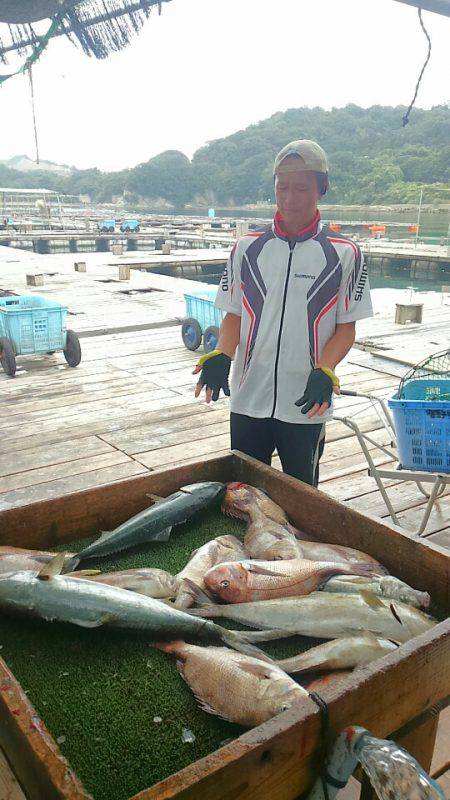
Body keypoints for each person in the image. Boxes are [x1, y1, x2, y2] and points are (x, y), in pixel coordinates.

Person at [193, 139, 373, 486]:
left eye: (302, 188)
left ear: (321, 188)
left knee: (302, 497)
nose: (290, 198)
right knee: (243, 491)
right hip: (247, 397)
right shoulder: (247, 247)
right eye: (283, 187)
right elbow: (234, 314)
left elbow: (346, 328)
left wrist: (326, 369)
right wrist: (222, 353)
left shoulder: (345, 252)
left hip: (307, 401)